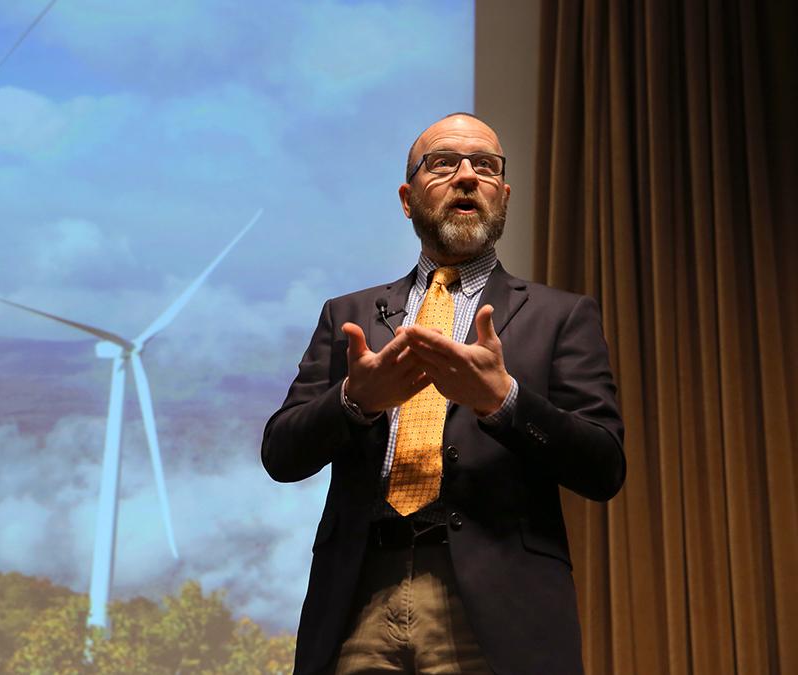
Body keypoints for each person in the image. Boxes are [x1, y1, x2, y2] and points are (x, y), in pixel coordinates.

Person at [261, 112, 625, 675]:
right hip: (359, 596)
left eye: (484, 166)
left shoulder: (561, 316)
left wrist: (504, 402)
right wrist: (355, 403)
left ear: (502, 195)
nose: (466, 176)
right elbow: (281, 455)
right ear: (408, 199)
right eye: (444, 163)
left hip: (497, 606)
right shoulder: (349, 316)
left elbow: (603, 467)